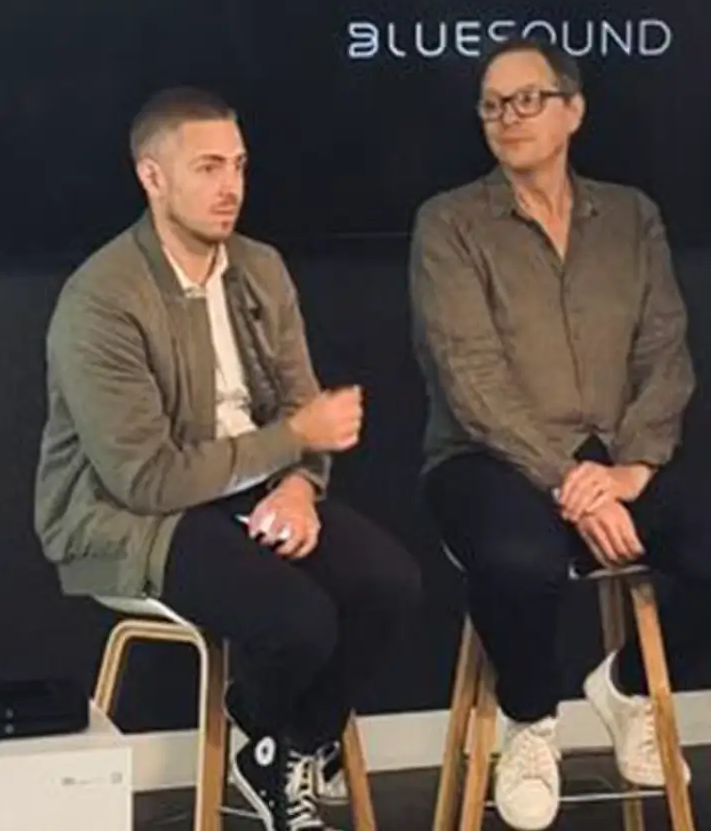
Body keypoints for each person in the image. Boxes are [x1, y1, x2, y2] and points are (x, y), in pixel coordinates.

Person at [410, 40, 711, 831]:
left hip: (616, 460)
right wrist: (567, 483)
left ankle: (626, 685)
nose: (507, 118)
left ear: (573, 109)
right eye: (491, 104)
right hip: (488, 461)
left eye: (527, 99)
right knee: (521, 560)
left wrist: (634, 468)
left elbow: (666, 352)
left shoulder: (631, 216)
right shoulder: (448, 223)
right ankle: (529, 725)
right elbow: (469, 379)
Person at [33, 87, 423, 831]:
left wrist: (301, 489)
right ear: (152, 177)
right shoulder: (101, 300)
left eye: (239, 165)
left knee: (389, 585)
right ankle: (276, 736)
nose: (231, 187)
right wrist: (291, 441)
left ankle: (280, 746)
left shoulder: (260, 268)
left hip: (246, 489)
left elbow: (299, 411)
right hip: (127, 516)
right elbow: (144, 478)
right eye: (208, 167)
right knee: (299, 620)